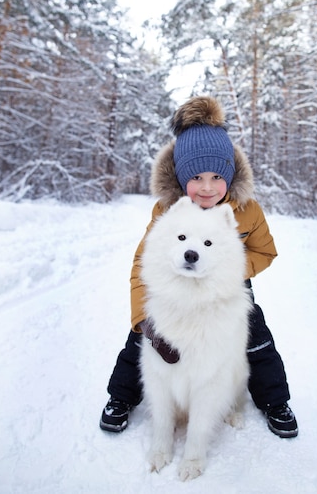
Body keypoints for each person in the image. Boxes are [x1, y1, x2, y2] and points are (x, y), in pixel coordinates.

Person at [100, 96, 298, 438]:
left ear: (231, 174)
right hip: (175, 284)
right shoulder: (169, 210)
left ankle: (275, 400)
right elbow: (143, 260)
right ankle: (120, 397)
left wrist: (229, 272)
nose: (207, 187)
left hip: (226, 287)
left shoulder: (246, 209)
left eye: (217, 176)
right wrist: (141, 318)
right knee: (144, 339)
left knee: (255, 335)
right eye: (196, 177)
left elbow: (265, 251)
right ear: (180, 177)